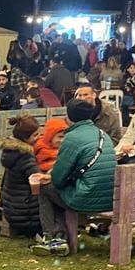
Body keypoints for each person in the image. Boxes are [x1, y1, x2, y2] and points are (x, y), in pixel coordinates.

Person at [32, 99, 117, 256]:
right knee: (55, 190)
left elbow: (58, 179)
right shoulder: (103, 134)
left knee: (46, 189)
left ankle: (52, 239)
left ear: (69, 117)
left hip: (85, 199)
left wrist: (50, 178)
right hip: (111, 198)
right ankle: (60, 237)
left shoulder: (72, 138)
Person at [0, 115, 42, 238]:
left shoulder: (10, 153)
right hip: (27, 217)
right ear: (25, 138)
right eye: (35, 135)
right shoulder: (25, 157)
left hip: (12, 211)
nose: (39, 138)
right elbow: (38, 179)